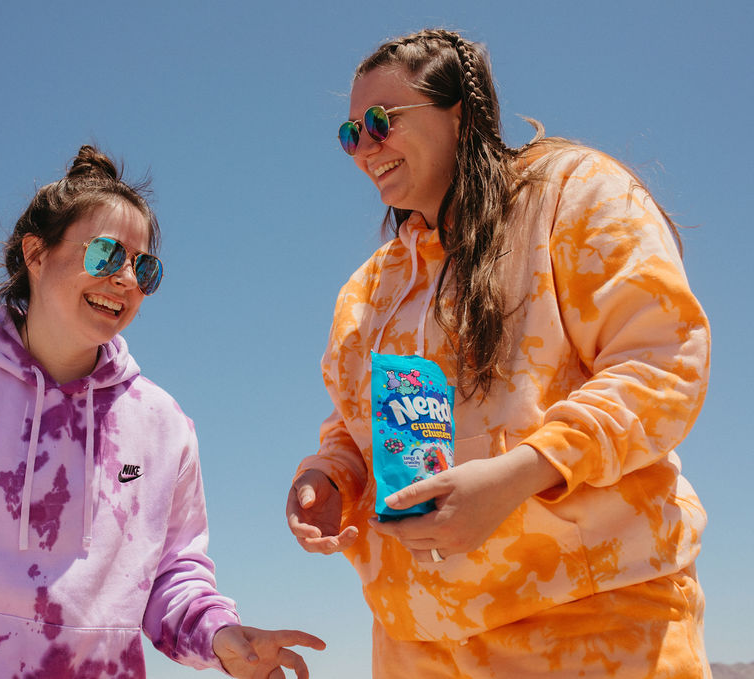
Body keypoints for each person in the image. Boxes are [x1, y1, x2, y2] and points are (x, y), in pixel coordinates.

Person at [0, 145, 324, 679]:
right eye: (106, 255)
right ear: (36, 254)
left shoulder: (164, 428)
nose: (126, 280)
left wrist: (219, 635)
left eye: (145, 267)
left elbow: (172, 575)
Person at [286, 28, 711, 678]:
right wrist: (329, 476)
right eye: (350, 135)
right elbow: (352, 427)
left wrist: (522, 472)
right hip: (412, 648)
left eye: (380, 121)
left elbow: (663, 361)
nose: (364, 147)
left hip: (595, 631)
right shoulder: (368, 291)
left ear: (459, 110)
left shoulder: (572, 196)